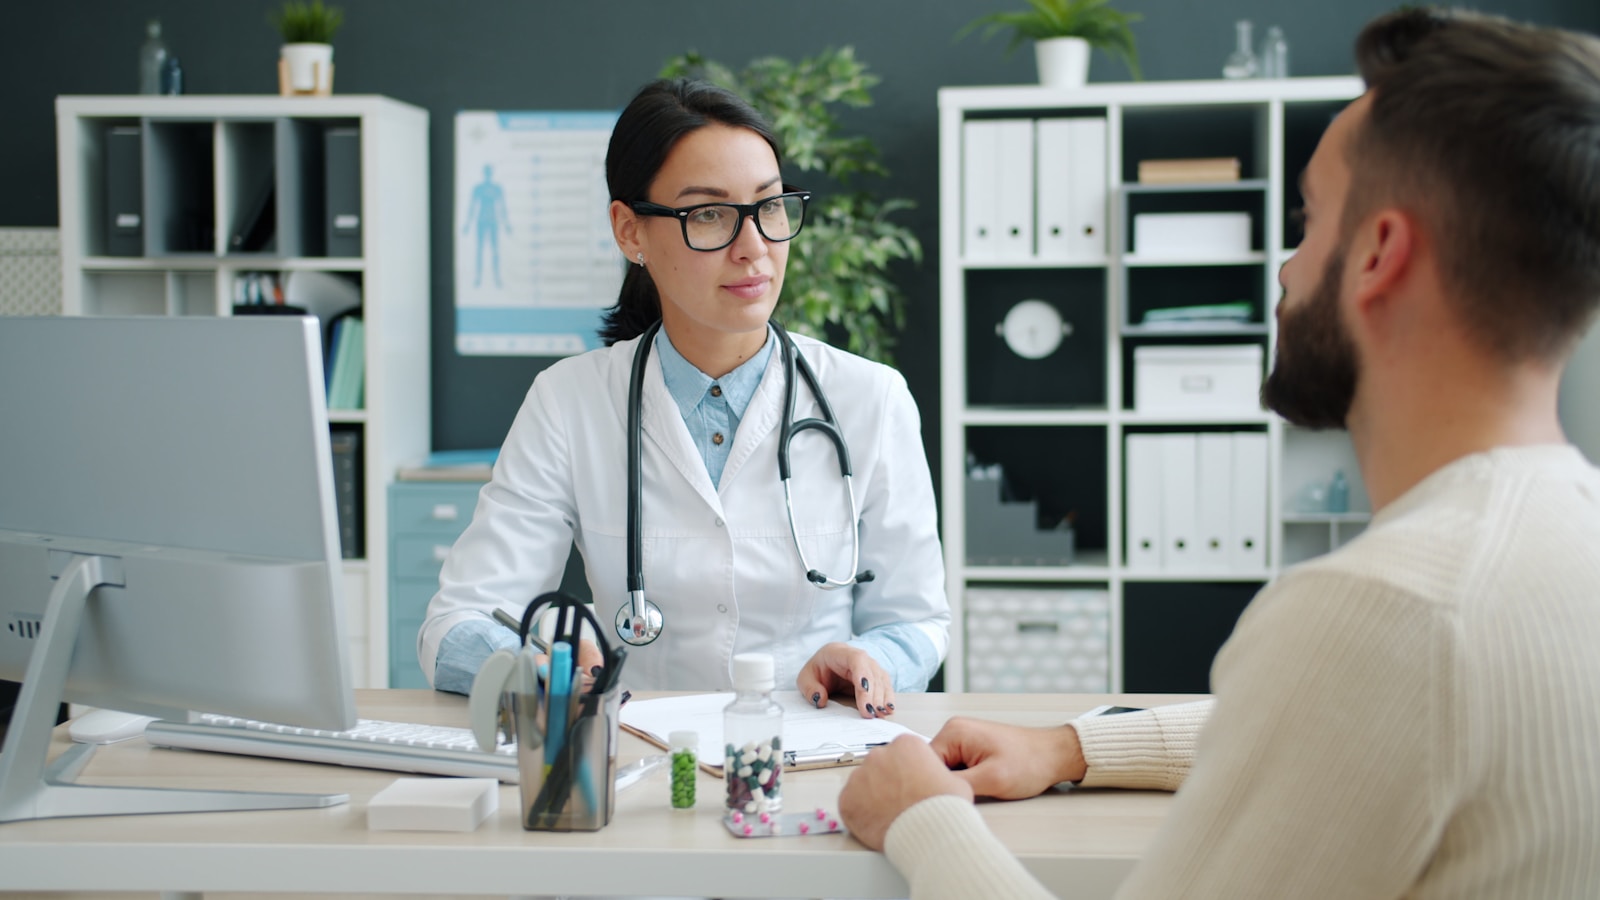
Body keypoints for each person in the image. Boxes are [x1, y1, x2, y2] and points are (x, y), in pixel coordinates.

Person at [839, 8, 1600, 897]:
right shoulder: (1558, 542)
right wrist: (1071, 745)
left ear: (1380, 254)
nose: (1283, 267)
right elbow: (1337, 720)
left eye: (1310, 221)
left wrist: (920, 819)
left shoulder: (1388, 611)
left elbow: (1368, 676)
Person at [419, 78, 949, 717]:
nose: (754, 246)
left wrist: (876, 663)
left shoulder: (871, 398)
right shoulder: (570, 401)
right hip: (636, 756)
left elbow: (917, 621)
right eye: (709, 215)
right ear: (629, 231)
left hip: (818, 752)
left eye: (771, 206)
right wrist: (532, 668)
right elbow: (458, 620)